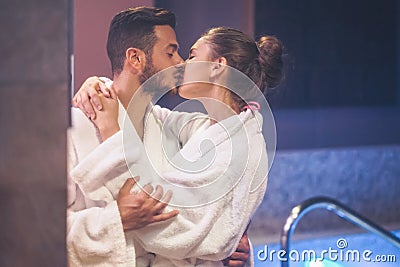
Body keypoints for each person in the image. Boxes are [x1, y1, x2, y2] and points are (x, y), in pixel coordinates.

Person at [74, 24, 283, 267]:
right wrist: (98, 86)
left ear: (217, 66)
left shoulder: (238, 148)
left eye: (192, 56)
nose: (182, 63)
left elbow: (166, 221)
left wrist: (110, 130)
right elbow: (149, 115)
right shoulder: (207, 128)